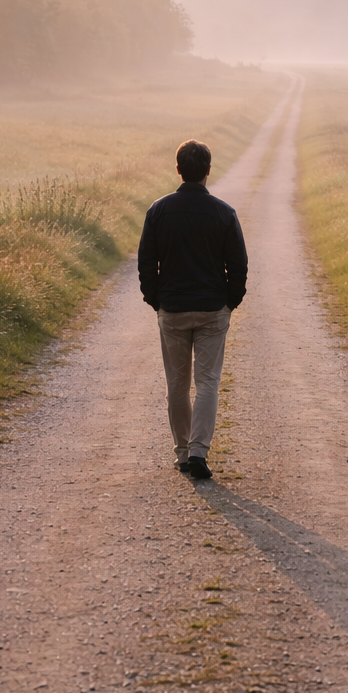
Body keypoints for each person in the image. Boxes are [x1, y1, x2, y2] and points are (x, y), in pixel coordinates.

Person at [137, 139, 248, 480]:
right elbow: (239, 265)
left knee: (177, 383)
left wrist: (156, 300)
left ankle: (183, 452)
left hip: (172, 309)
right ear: (208, 171)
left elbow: (145, 263)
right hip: (213, 309)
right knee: (208, 382)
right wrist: (230, 301)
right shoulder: (223, 212)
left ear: (178, 170)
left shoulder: (158, 210)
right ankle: (200, 452)